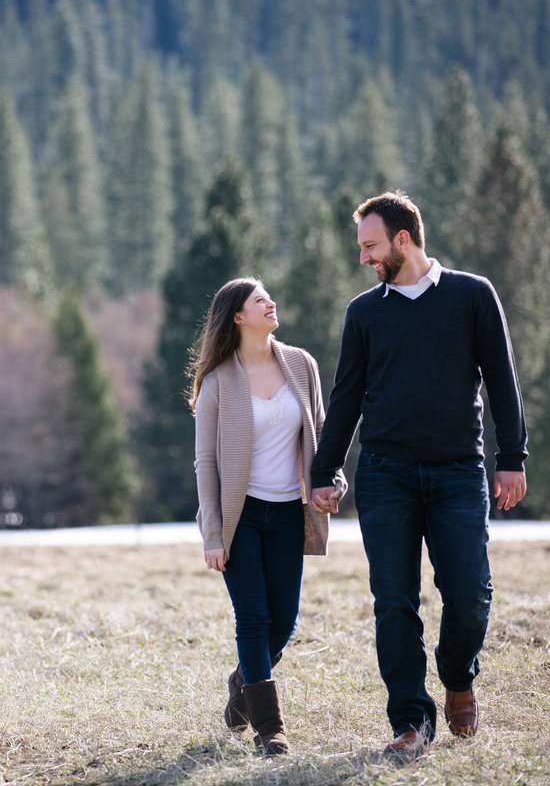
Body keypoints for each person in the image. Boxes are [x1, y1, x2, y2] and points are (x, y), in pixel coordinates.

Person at [309, 191, 527, 760]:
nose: (363, 258)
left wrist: (512, 458)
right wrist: (324, 469)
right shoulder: (364, 313)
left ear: (403, 240)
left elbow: (502, 381)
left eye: (370, 246)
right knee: (394, 600)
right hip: (386, 475)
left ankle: (458, 677)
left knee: (469, 591)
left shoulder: (472, 296)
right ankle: (410, 720)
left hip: (459, 472)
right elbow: (347, 396)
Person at [191, 277, 345, 756]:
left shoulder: (301, 365)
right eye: (260, 299)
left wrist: (332, 481)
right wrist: (213, 534)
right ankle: (269, 729)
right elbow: (206, 464)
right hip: (240, 517)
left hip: (287, 512)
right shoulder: (218, 383)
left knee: (285, 621)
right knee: (253, 619)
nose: (270, 302)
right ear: (238, 316)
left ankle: (243, 682)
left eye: (268, 297)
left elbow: (321, 438)